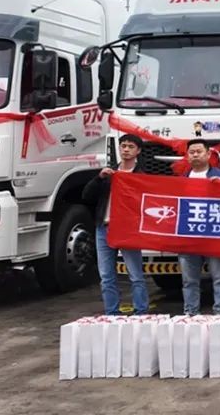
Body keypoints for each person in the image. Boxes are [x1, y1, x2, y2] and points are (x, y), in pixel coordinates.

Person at [83, 133, 148, 315]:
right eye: (123, 146)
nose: (126, 150)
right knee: (106, 275)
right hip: (104, 227)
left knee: (135, 274)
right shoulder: (109, 173)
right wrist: (99, 178)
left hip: (127, 230)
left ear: (138, 151)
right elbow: (87, 195)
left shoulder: (141, 175)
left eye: (131, 147)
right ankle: (111, 313)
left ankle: (141, 312)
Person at [178, 139, 220, 316]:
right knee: (189, 280)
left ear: (208, 154)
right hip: (188, 238)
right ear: (187, 156)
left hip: (214, 236)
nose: (195, 155)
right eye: (191, 152)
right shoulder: (181, 180)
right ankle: (190, 313)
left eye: (199, 151)